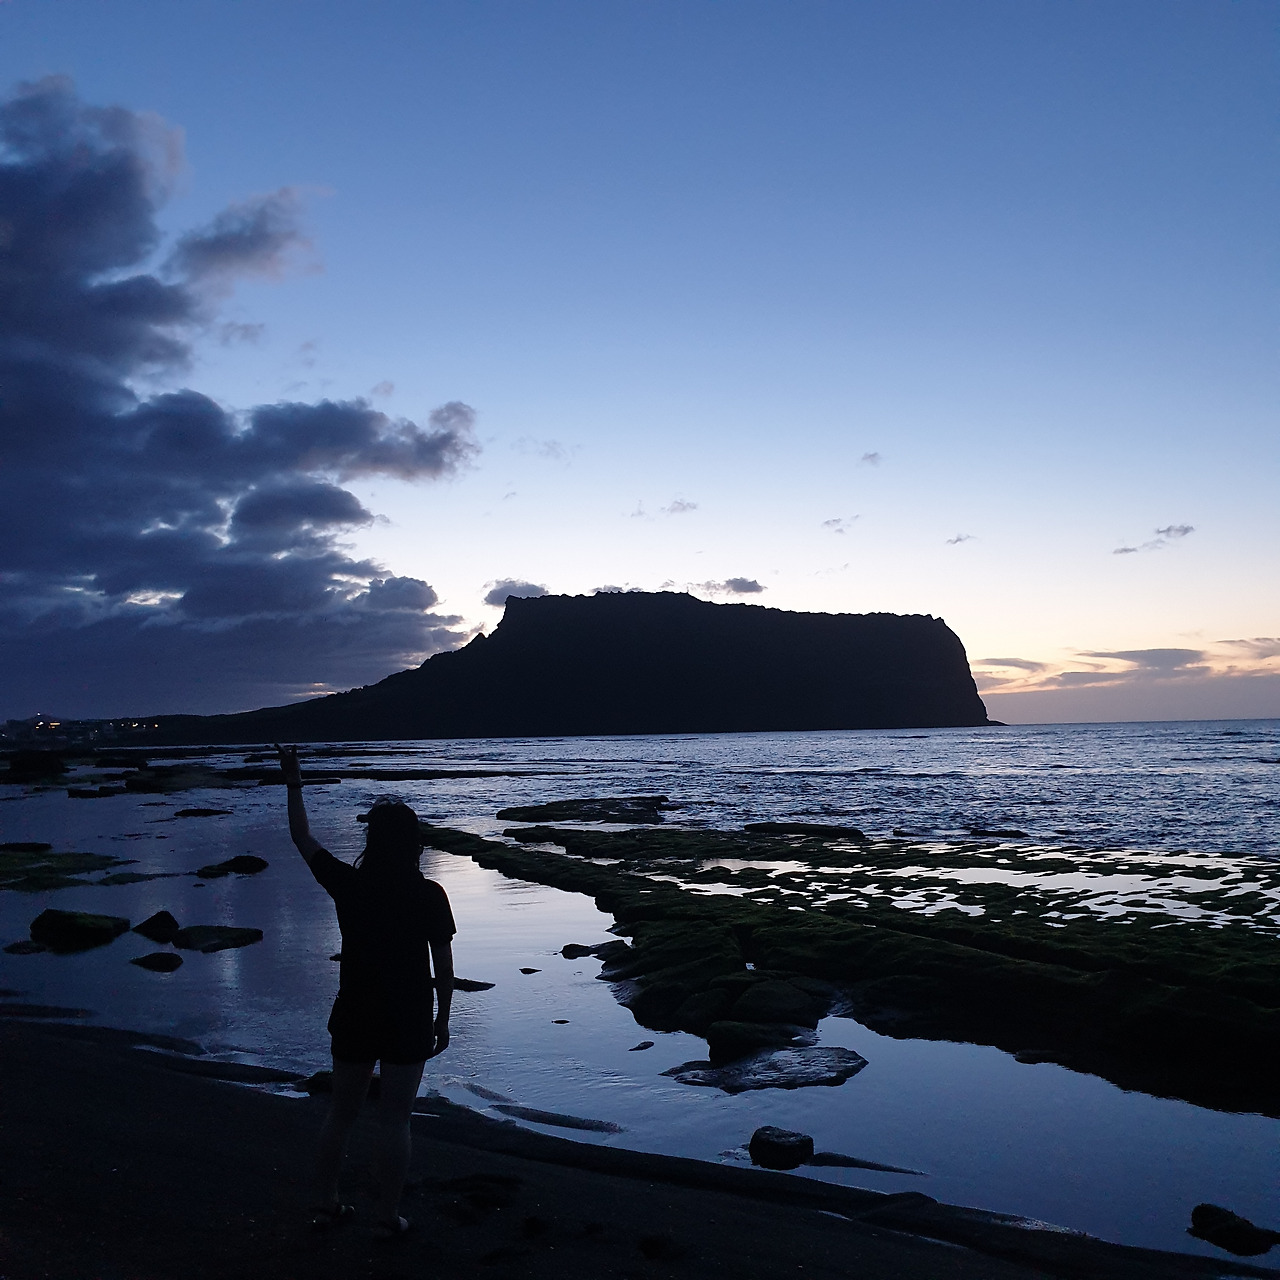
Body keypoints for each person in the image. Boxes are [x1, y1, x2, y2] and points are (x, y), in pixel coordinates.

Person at [276, 743, 455, 1238]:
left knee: (341, 1113)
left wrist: (294, 780)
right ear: (414, 843)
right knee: (396, 1120)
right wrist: (442, 1020)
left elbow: (301, 837)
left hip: (355, 1007)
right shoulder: (428, 894)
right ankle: (386, 1216)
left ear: (372, 840)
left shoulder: (349, 885)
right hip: (408, 1013)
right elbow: (443, 965)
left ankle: (325, 1203)